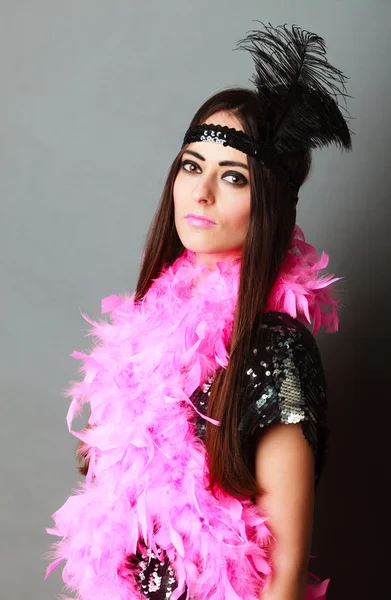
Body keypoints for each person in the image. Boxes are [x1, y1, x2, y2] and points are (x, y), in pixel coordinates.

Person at [45, 22, 352, 600]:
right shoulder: (146, 329)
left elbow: (282, 577)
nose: (202, 191)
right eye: (192, 165)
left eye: (231, 176)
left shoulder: (274, 348)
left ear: (268, 203)